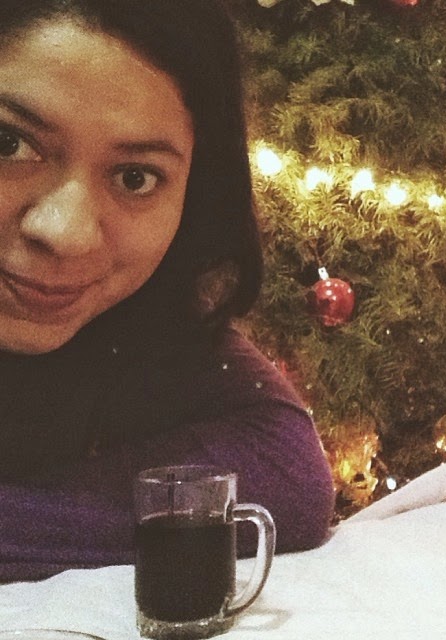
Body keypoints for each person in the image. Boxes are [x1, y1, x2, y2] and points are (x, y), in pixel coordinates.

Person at [0, 0, 335, 581]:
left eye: (136, 177)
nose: (65, 233)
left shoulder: (149, 321)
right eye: (9, 143)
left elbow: (287, 470)